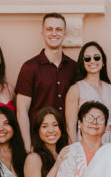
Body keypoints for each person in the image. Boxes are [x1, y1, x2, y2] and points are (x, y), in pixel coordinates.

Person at [15, 13, 77, 149]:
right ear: (42, 33)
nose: (54, 33)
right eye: (49, 29)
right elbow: (21, 110)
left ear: (65, 34)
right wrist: (27, 146)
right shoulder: (29, 68)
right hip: (38, 143)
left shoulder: (74, 67)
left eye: (58, 29)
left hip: (66, 143)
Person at [65, 41, 111, 144]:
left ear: (103, 61)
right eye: (87, 58)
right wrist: (75, 152)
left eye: (96, 57)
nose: (92, 61)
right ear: (83, 62)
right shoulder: (75, 89)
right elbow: (71, 127)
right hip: (87, 142)